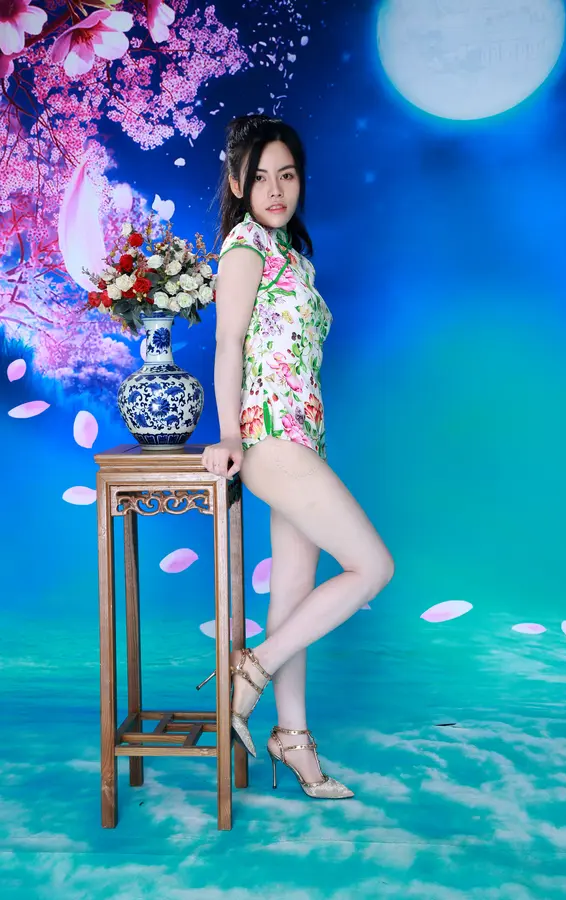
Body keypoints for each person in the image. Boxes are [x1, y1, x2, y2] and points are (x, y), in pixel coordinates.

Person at [200, 115, 394, 799]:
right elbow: (227, 344)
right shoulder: (245, 247)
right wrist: (228, 434)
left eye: (287, 175)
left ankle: (294, 737)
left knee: (290, 597)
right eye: (260, 178)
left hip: (302, 438)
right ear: (237, 183)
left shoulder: (289, 253)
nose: (276, 190)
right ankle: (249, 671)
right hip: (270, 436)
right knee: (373, 567)